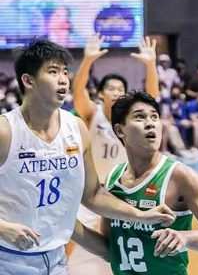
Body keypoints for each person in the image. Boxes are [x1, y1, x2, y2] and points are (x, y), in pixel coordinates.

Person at [0, 40, 174, 274]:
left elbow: (92, 195)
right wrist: (1, 228)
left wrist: (140, 215)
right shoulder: (5, 131)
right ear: (28, 80)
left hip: (56, 257)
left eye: (65, 72)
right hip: (7, 258)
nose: (63, 79)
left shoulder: (76, 128)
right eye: (53, 72)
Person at [81, 91, 198, 274]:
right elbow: (109, 248)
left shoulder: (180, 176)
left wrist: (186, 238)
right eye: (140, 117)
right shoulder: (114, 178)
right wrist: (68, 225)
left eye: (154, 117)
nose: (150, 123)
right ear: (120, 130)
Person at [70, 33, 160, 270]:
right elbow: (78, 93)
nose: (115, 91)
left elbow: (153, 100)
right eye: (110, 88)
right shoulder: (93, 114)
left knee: (118, 251)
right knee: (72, 241)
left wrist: (150, 65)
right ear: (100, 94)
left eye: (120, 88)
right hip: (92, 191)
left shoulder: (131, 121)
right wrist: (88, 60)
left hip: (122, 193)